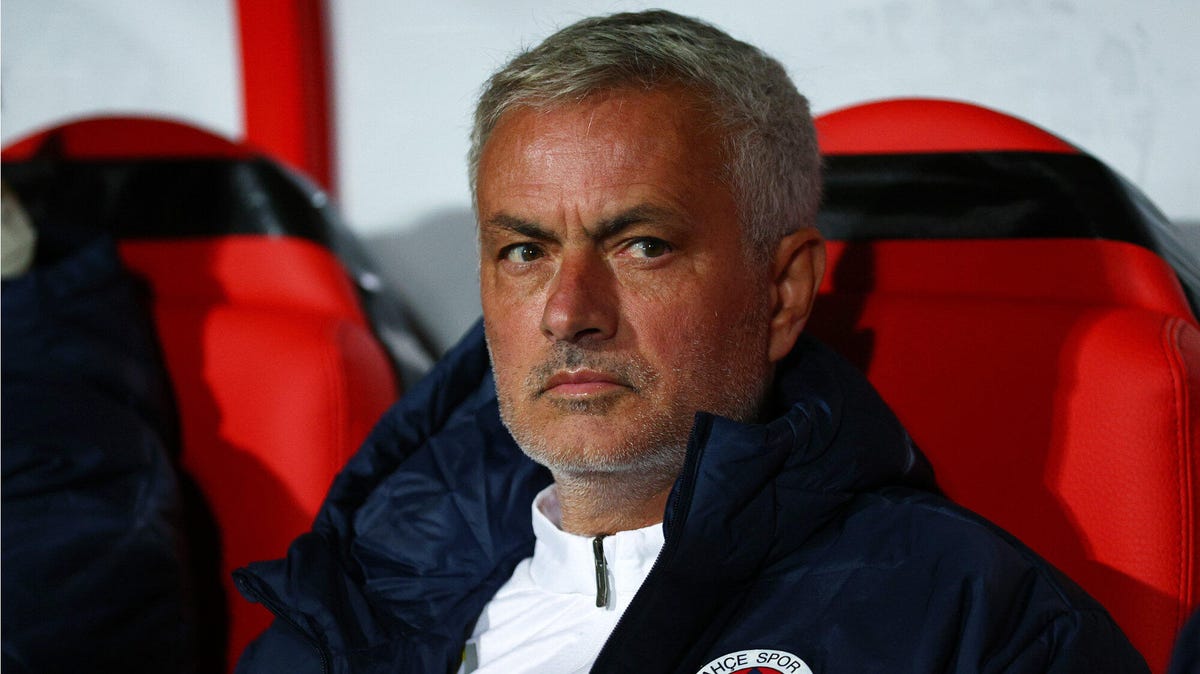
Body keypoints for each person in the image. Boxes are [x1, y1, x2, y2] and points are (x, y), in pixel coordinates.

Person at [234, 10, 1148, 673]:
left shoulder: (964, 617)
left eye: (642, 245)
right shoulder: (345, 603)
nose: (568, 311)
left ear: (784, 292)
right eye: (524, 250)